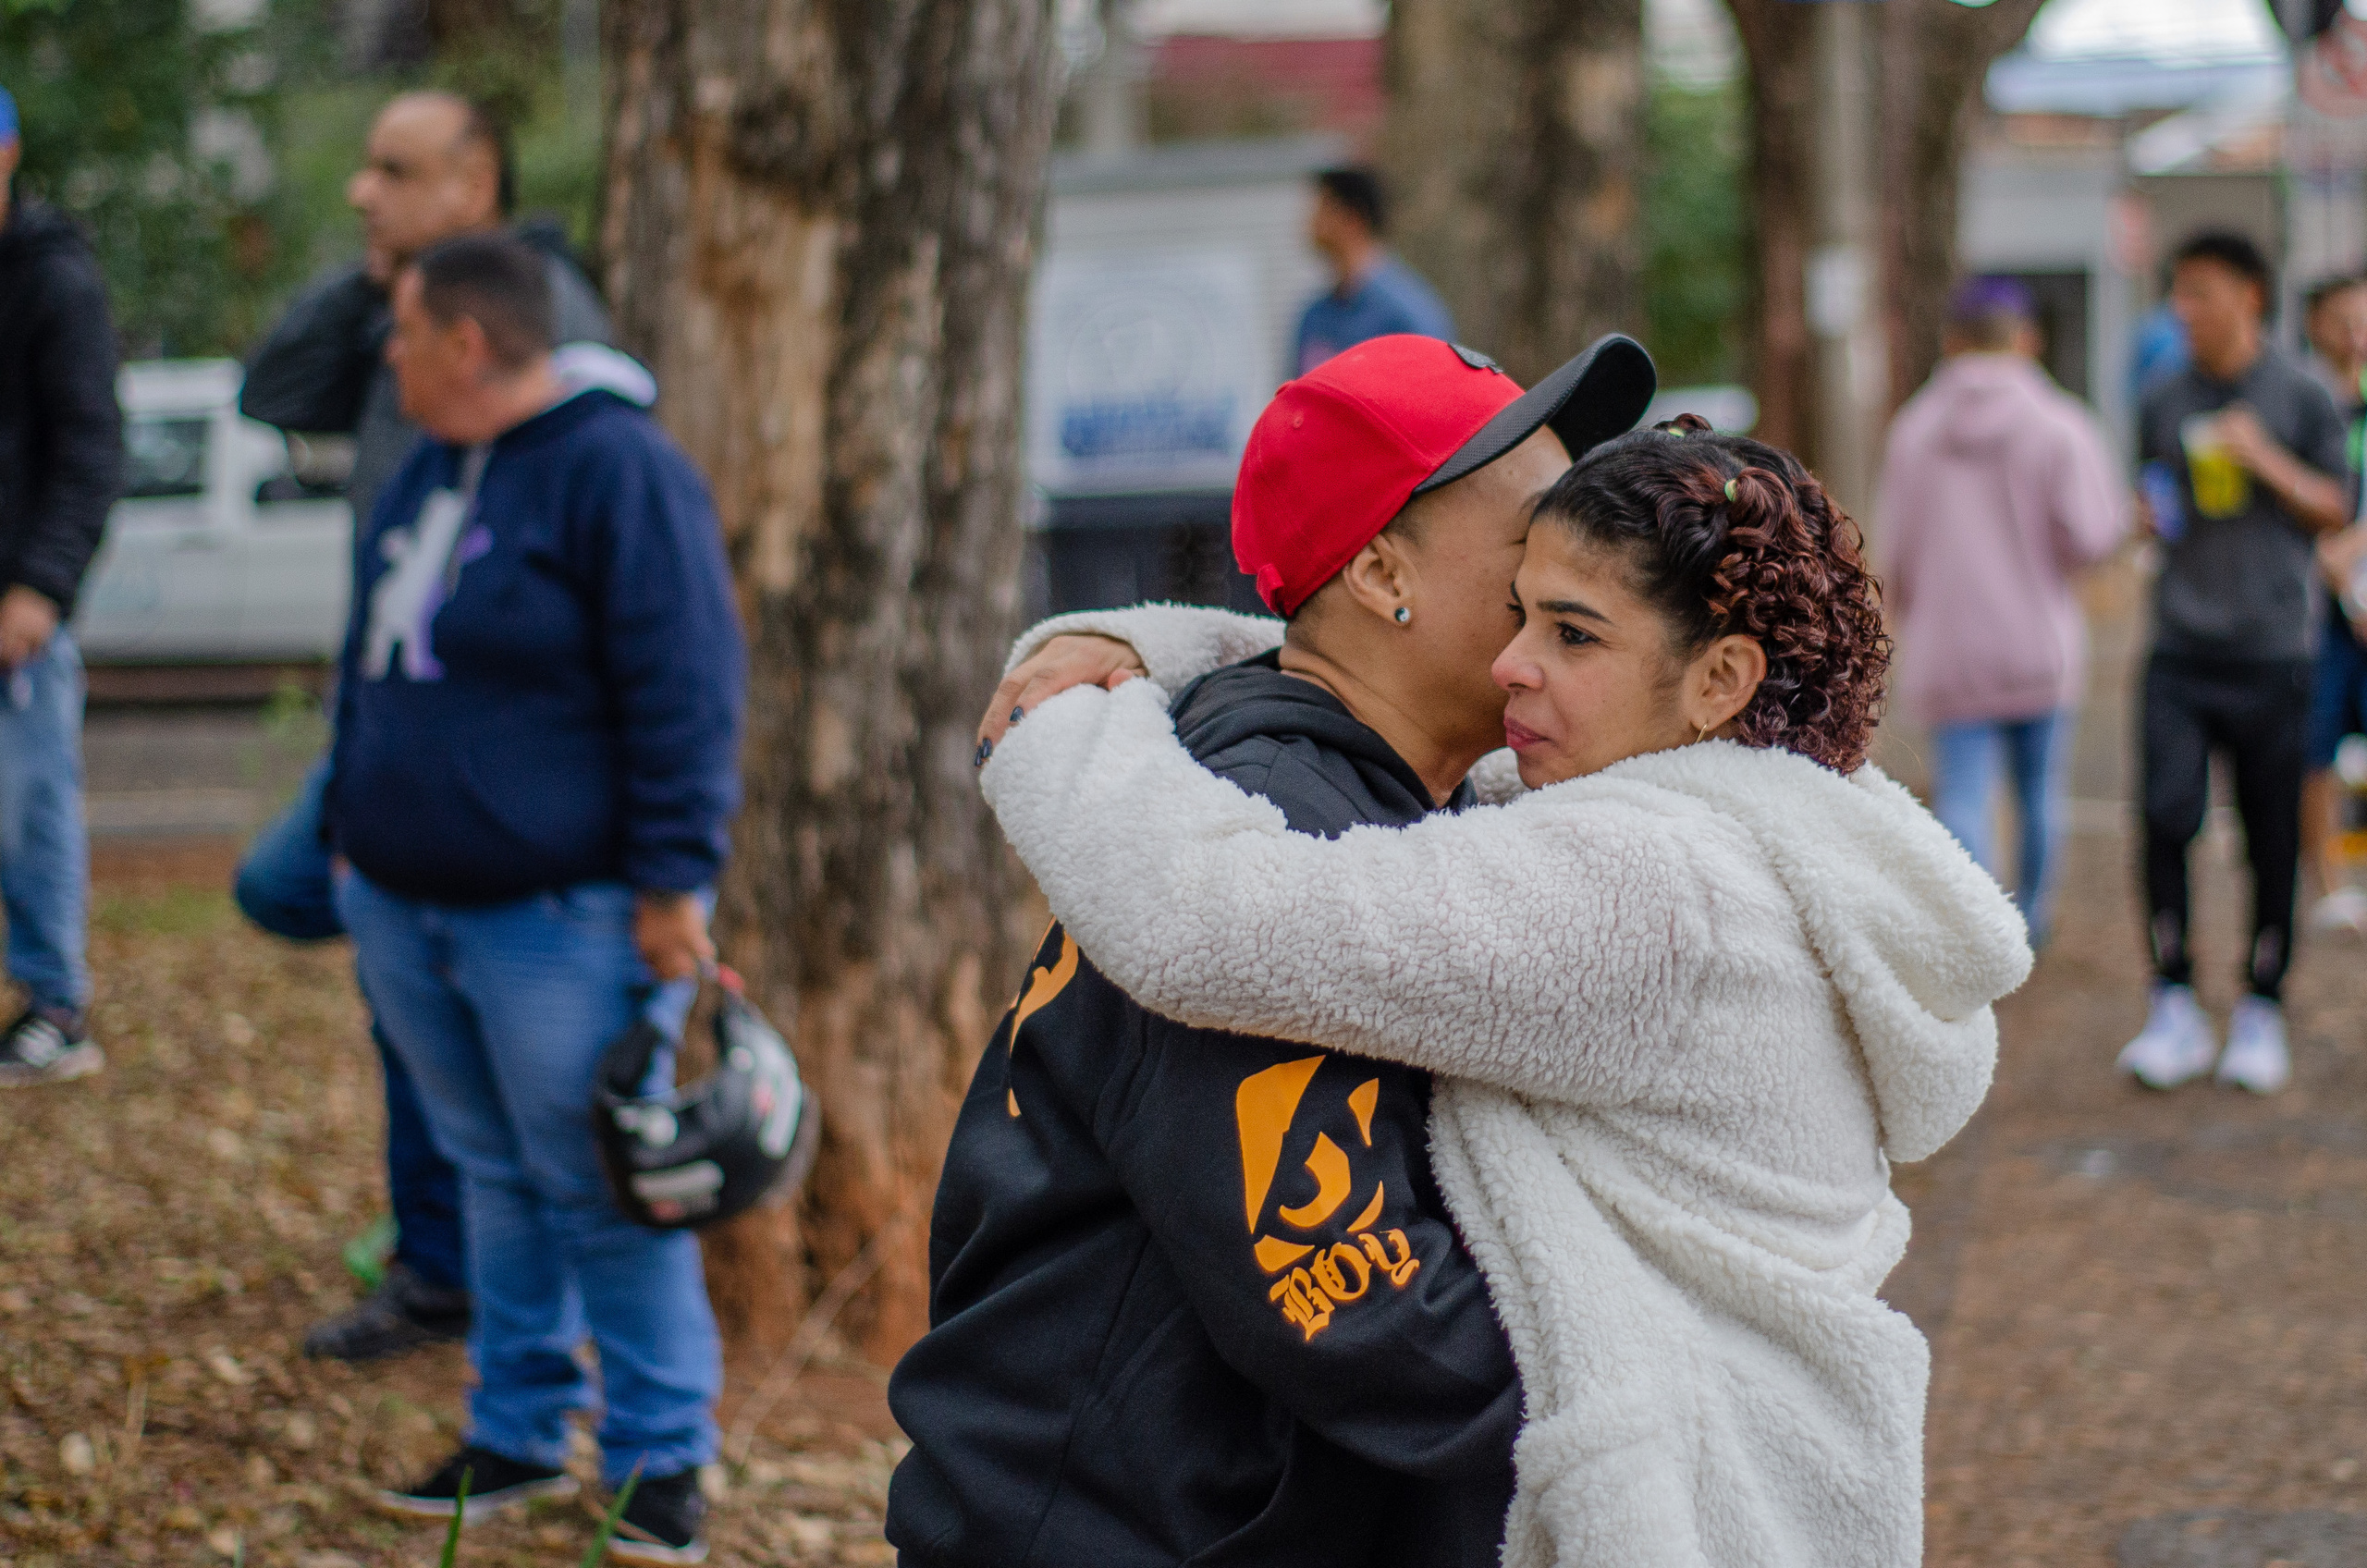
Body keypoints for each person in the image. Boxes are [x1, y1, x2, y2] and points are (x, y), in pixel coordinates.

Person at [975, 419, 2031, 1568]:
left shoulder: (1644, 888)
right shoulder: (1775, 813)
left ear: (1720, 678)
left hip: (1677, 1498)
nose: (1510, 662)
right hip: (1770, 1472)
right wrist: (1132, 640)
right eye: (1517, 609)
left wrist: (1064, 721)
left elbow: (1207, 920)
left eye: (1572, 633)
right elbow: (1342, 670)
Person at [886, 332, 1656, 1567]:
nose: (1574, 564)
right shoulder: (1265, 839)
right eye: (1532, 538)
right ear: (1380, 570)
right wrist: (1653, 1418)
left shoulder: (1411, 799)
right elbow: (1352, 1301)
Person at [328, 232, 742, 1564]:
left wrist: (676, 882)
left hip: (559, 915)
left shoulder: (619, 472)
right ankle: (514, 1428)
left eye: (401, 334)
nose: (384, 358)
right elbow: (370, 665)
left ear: (466, 341)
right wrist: (349, 834)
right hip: (405, 903)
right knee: (490, 1176)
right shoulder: (424, 474)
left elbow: (687, 690)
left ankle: (661, 1459)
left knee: (604, 1185)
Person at [236, 88, 616, 1364]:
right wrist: (379, 283)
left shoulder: (545, 323)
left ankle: (466, 1276)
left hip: (486, 752)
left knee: (436, 1000)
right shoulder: (399, 316)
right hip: (389, 720)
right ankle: (449, 1255)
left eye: (393, 172)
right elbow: (272, 390)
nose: (362, 191)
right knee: (310, 907)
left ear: (476, 182)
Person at [2118, 231, 2352, 1096]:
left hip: (2273, 650)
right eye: (2178, 293)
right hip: (2179, 643)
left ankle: (2263, 1004)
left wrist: (2265, 461)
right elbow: (2152, 486)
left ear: (2251, 296)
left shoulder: (2299, 395)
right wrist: (2148, 513)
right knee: (2164, 821)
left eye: (2203, 293)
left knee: (2270, 834)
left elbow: (2335, 508)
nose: (2187, 311)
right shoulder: (2162, 393)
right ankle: (2172, 998)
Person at [1875, 275, 2128, 947]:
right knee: (2040, 792)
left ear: (1954, 341)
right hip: (2039, 644)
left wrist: (1892, 618)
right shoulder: (2059, 424)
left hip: (1949, 646)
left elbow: (1892, 547)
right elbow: (2093, 538)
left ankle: (1978, 934)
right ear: (2027, 340)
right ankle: (2032, 926)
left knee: (1963, 795)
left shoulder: (1915, 429)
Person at [0, 83, 120, 1088]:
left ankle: (56, 1004)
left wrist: (41, 584)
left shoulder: (53, 281)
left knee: (27, 803)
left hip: (16, 608)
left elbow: (90, 447)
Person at [2299, 275, 2367, 935]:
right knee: (2313, 747)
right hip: (2315, 612)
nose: (2356, 335)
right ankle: (2328, 884)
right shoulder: (2301, 401)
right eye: (2343, 319)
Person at [1294, 166, 1454, 374]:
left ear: (1352, 218)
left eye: (1323, 206)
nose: (1311, 220)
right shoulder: (1315, 317)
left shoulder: (1406, 314)